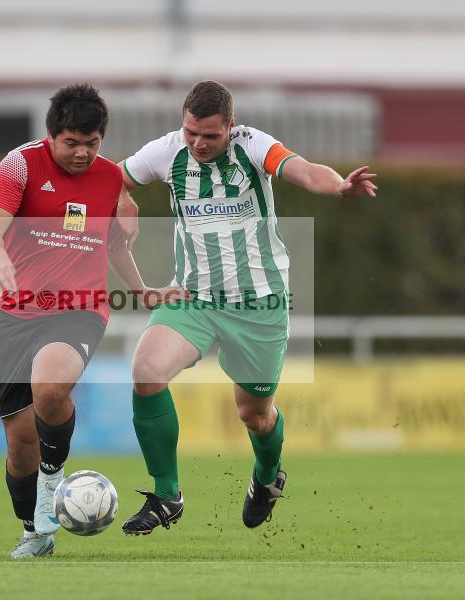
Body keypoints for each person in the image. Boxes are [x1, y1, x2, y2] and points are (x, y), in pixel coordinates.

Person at [115, 80, 377, 534]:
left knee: (254, 413)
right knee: (146, 371)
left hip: (259, 302)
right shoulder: (166, 151)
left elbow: (304, 169)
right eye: (191, 132)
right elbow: (113, 178)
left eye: (210, 136)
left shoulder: (253, 145)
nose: (198, 143)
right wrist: (121, 199)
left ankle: (266, 478)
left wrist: (337, 187)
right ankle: (166, 495)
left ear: (230, 127)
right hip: (193, 297)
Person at [0, 83, 184, 557]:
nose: (82, 154)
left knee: (50, 389)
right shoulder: (20, 165)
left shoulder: (111, 178)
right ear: (51, 136)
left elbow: (113, 244)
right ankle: (34, 532)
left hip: (78, 309)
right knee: (20, 443)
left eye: (92, 144)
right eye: (72, 143)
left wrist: (141, 290)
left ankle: (54, 477)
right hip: (14, 314)